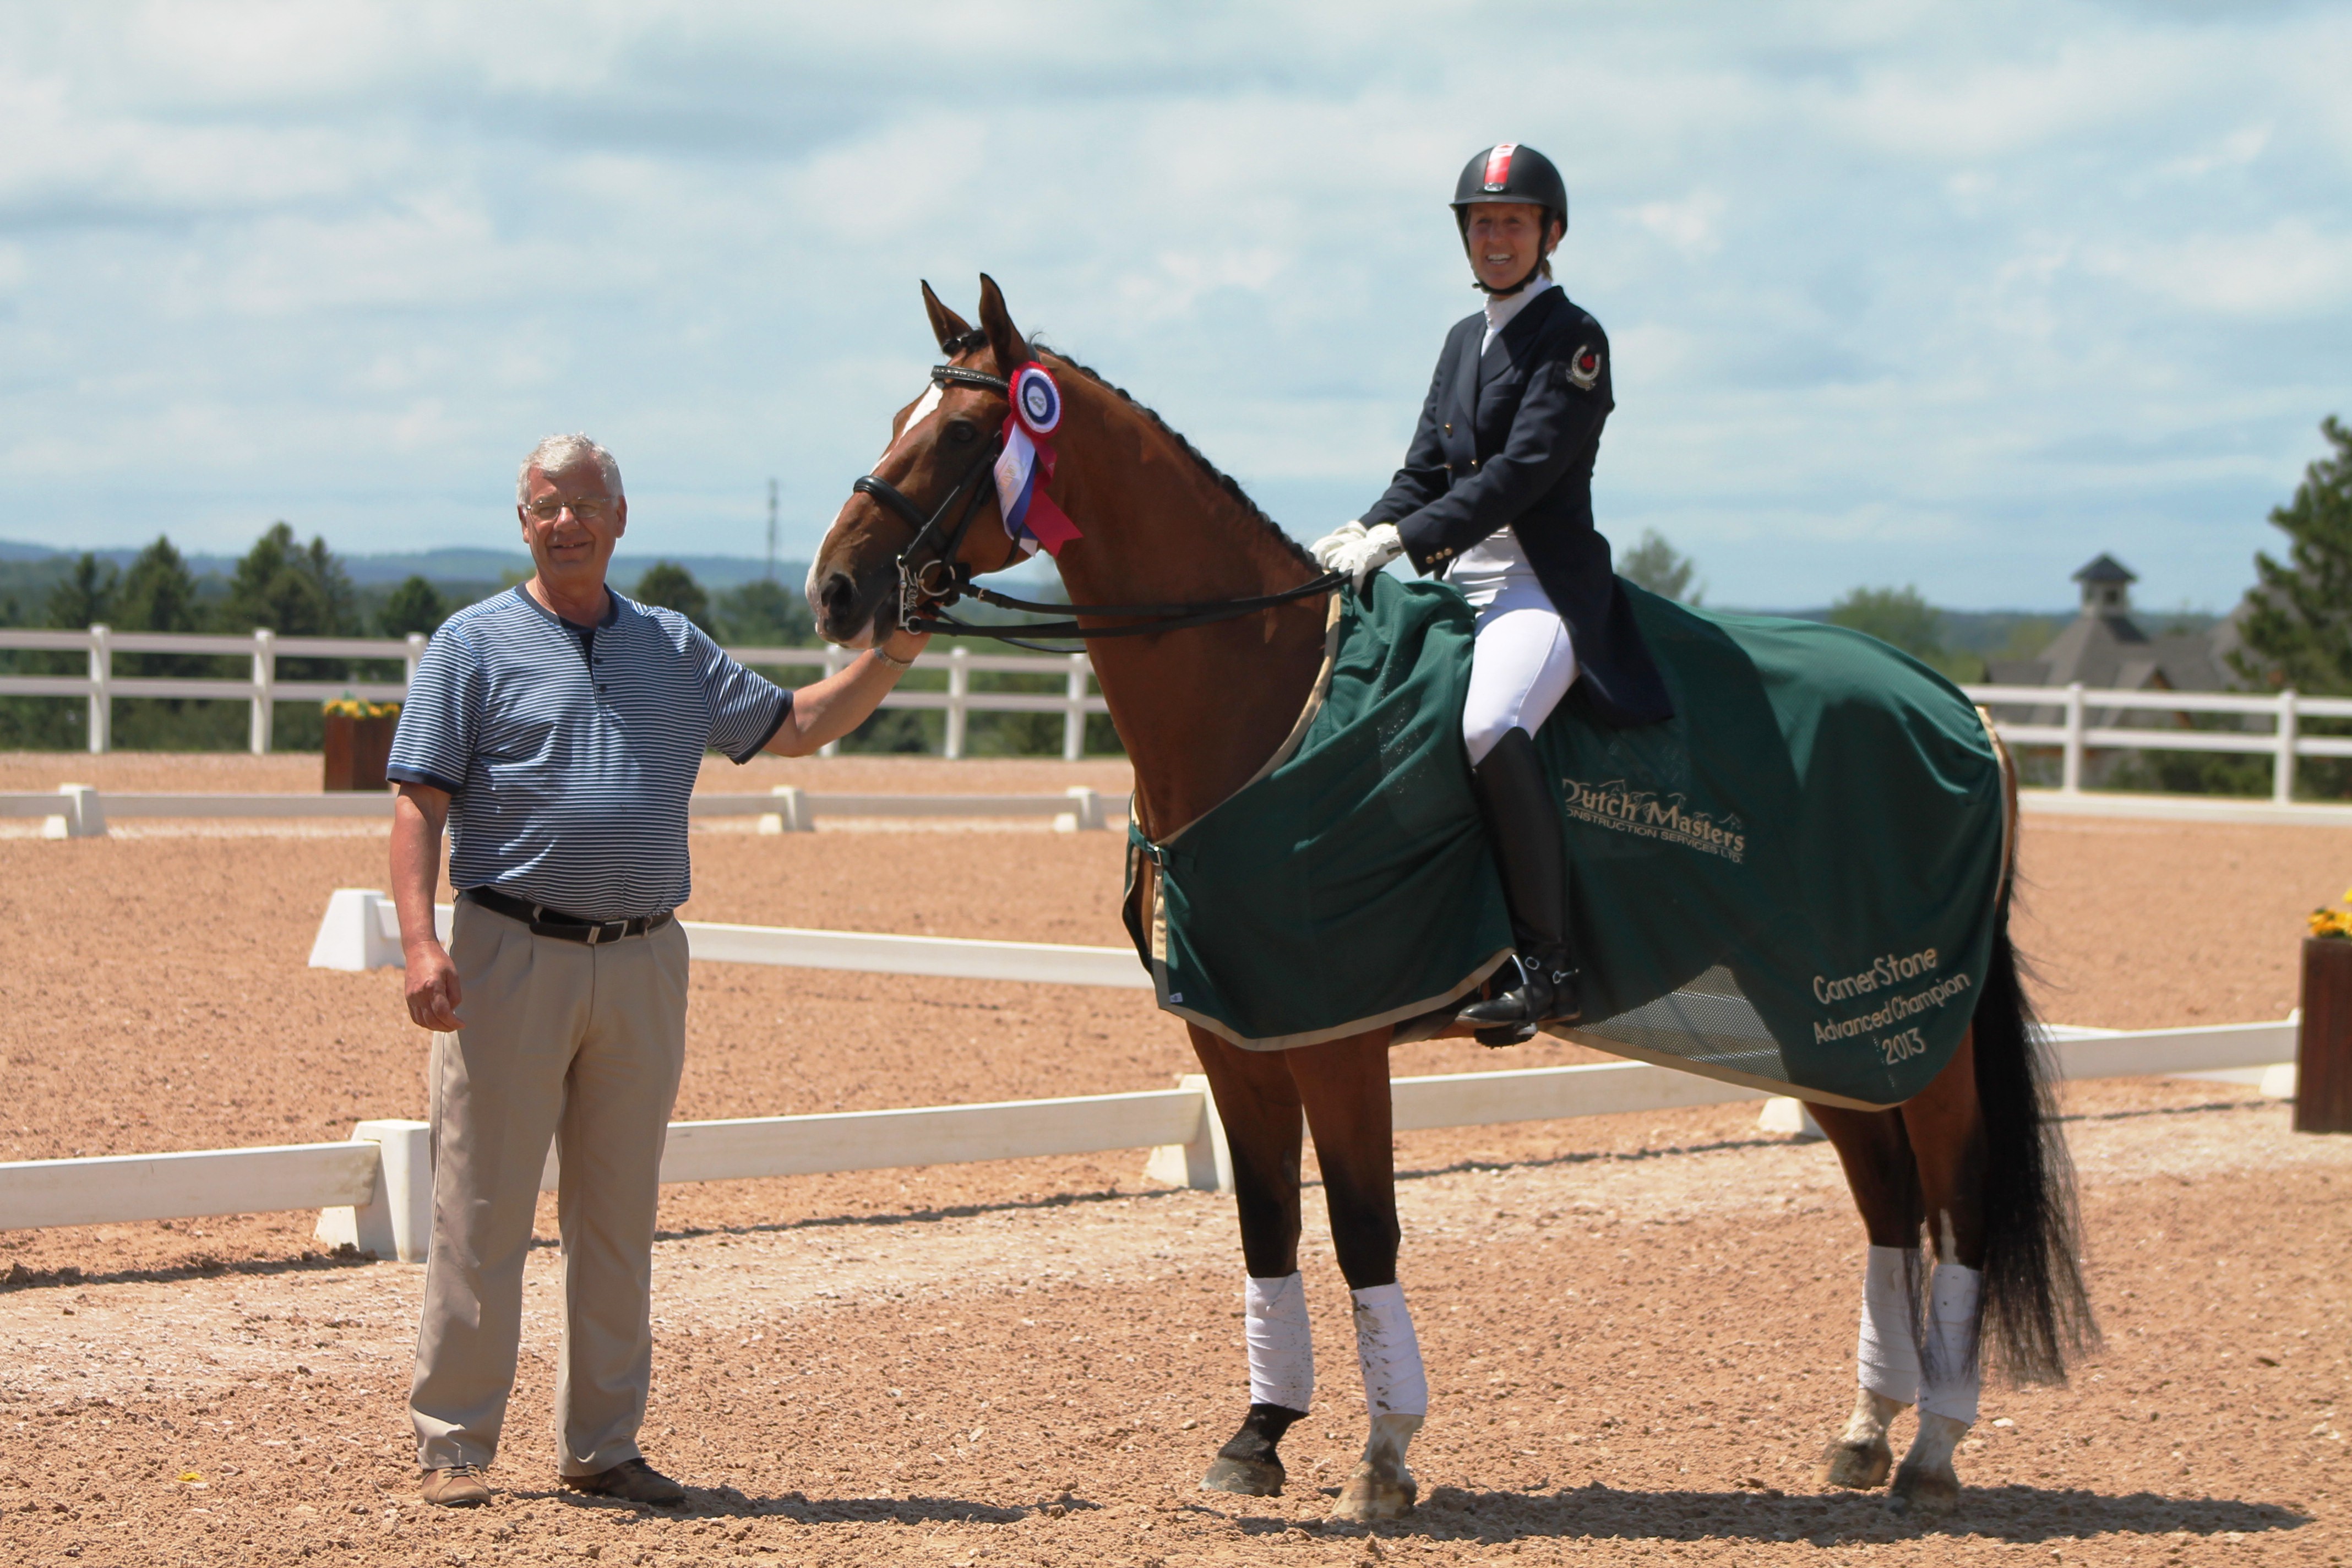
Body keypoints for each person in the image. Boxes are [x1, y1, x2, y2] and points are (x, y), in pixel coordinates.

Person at [385, 433, 928, 1509]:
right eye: (548, 503)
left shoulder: (675, 648)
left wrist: (897, 647)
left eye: (586, 502)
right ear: (524, 521)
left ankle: (603, 1443)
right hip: (509, 951)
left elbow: (800, 723)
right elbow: (417, 801)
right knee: (480, 1208)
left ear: (620, 519)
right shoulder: (471, 645)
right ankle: (455, 1440)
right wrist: (419, 937)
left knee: (617, 1214)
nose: (568, 520)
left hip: (642, 960)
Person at [1311, 143, 1672, 1041]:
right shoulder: (1462, 339)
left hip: (1536, 588)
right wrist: (1365, 531)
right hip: (1455, 580)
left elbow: (1525, 471)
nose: (1496, 238)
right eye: (1482, 223)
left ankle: (1548, 965)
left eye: (1513, 222)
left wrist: (1409, 537)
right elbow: (1425, 468)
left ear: (1550, 233)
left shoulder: (1575, 339)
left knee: (1486, 725)